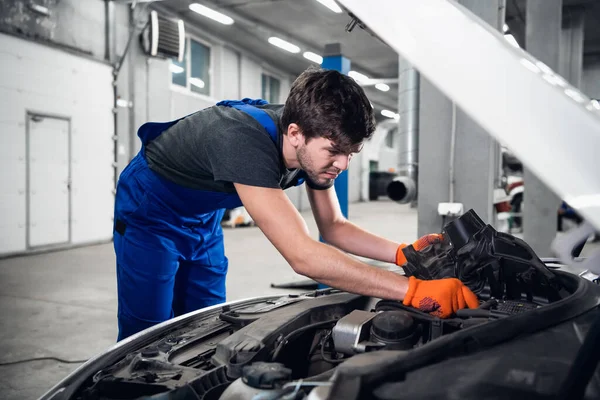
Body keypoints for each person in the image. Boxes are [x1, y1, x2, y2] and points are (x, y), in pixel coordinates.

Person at [113, 67, 478, 341]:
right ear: (294, 134)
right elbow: (303, 256)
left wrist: (402, 252)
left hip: (203, 218)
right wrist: (412, 291)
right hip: (150, 210)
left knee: (205, 323)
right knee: (148, 332)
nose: (342, 165)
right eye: (335, 152)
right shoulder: (242, 142)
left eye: (351, 153)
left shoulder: (308, 146)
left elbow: (334, 227)